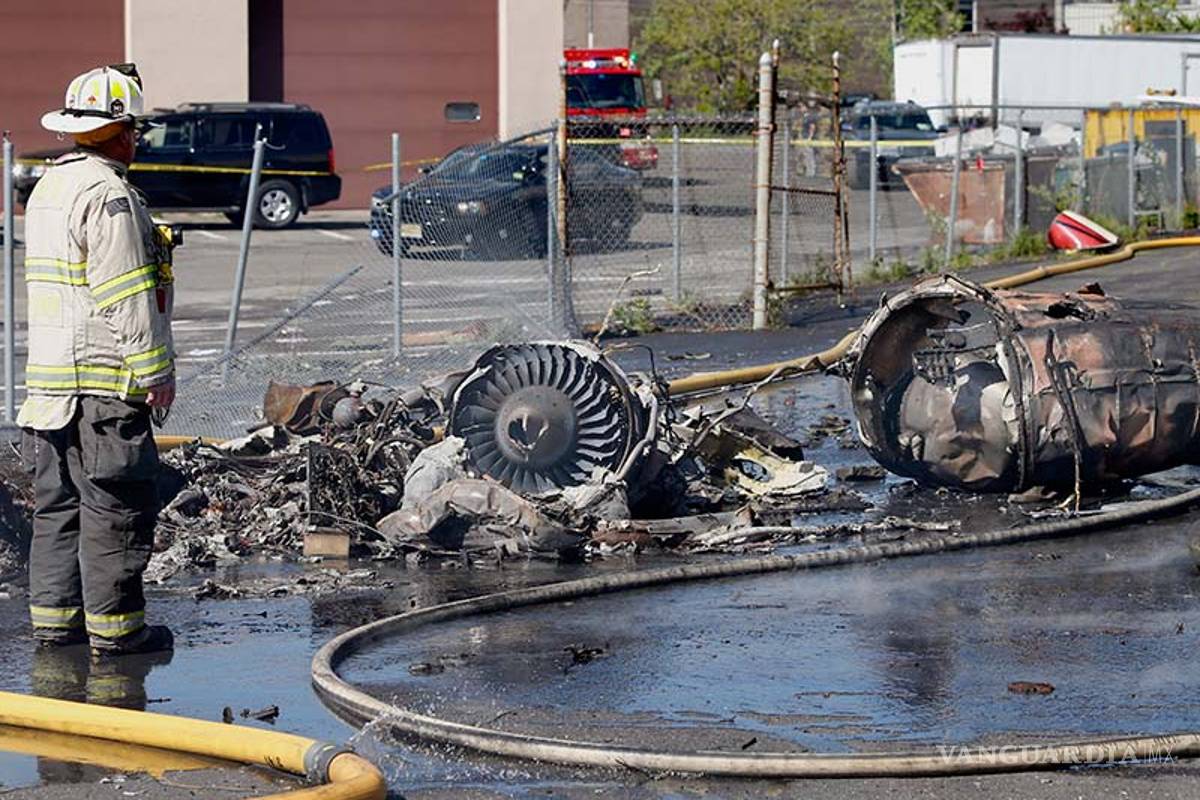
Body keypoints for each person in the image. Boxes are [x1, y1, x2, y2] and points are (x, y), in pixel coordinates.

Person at [20, 64, 176, 656]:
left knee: (57, 510)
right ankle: (118, 631)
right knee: (115, 506)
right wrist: (155, 372)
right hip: (103, 384)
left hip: (51, 388)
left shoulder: (50, 187)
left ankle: (55, 626)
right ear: (117, 132)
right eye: (131, 128)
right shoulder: (110, 196)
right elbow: (127, 294)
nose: (135, 139)